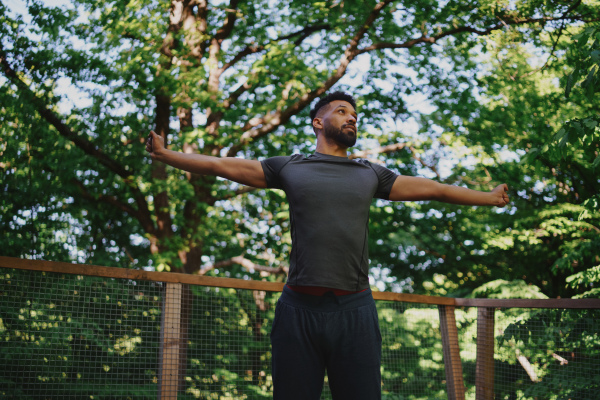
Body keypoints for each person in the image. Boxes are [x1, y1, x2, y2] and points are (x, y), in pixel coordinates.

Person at [145, 91, 509, 399]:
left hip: (355, 311)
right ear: (318, 122)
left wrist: (487, 197)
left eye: (354, 115)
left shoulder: (371, 174)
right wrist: (166, 156)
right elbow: (219, 165)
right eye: (341, 111)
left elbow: (435, 189)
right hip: (297, 311)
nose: (351, 118)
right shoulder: (289, 167)